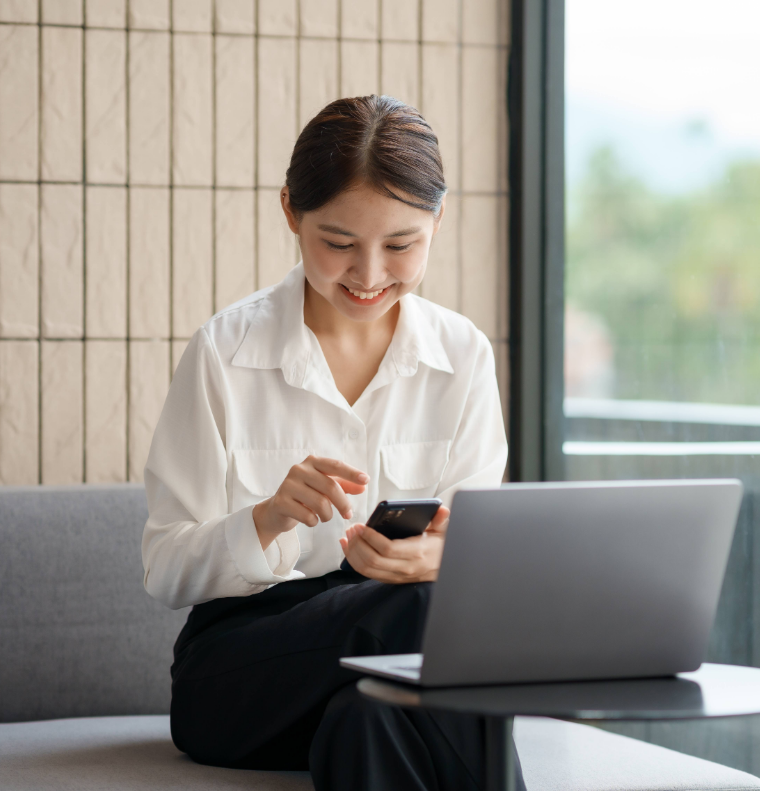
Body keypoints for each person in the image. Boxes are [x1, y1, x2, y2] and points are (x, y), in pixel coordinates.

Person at [142, 94, 526, 791]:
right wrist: (266, 519)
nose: (370, 274)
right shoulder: (224, 352)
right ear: (291, 211)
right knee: (414, 609)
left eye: (402, 245)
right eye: (339, 243)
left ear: (440, 219)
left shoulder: (462, 355)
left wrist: (440, 557)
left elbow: (471, 543)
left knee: (367, 721)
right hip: (240, 672)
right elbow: (165, 568)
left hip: (392, 662)